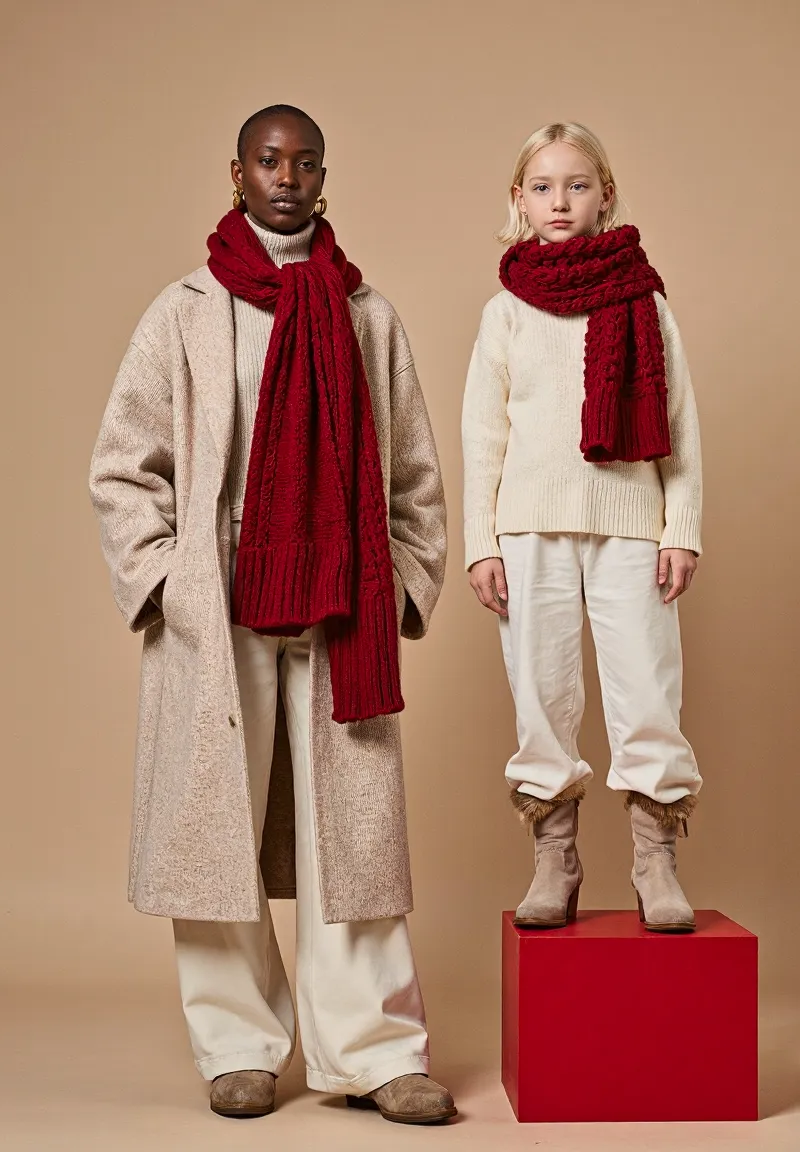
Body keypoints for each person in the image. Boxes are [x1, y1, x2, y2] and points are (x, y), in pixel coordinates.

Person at [89, 104, 455, 1124]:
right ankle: (236, 1045)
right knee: (215, 828)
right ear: (236, 173)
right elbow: (124, 466)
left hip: (341, 599)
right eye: (266, 160)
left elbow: (416, 479)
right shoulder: (184, 311)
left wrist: (407, 585)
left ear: (323, 176)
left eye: (302, 162)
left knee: (355, 830)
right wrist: (168, 584)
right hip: (218, 600)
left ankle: (374, 1052)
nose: (284, 177)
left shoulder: (365, 314)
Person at [462, 122, 703, 934]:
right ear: (518, 200)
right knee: (542, 693)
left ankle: (653, 858)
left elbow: (680, 422)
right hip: (529, 529)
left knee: (646, 691)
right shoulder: (505, 311)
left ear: (605, 193)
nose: (558, 201)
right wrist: (482, 543)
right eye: (542, 186)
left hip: (631, 523)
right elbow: (482, 434)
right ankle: (555, 860)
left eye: (576, 185)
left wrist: (681, 528)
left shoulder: (644, 297)